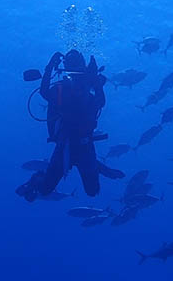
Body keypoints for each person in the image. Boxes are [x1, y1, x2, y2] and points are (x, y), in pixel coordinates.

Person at [17, 50, 107, 201]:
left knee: (93, 191)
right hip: (64, 145)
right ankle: (36, 179)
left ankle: (97, 166)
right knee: (45, 189)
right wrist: (49, 67)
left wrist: (96, 81)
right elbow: (44, 92)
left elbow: (100, 103)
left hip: (85, 145)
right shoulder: (61, 88)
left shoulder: (86, 88)